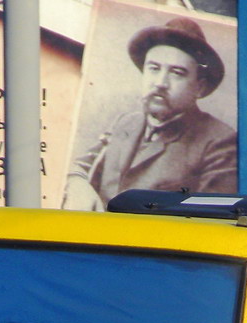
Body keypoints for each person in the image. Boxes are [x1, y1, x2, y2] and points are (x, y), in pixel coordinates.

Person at [62, 16, 236, 211]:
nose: (160, 82)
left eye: (177, 73)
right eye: (153, 68)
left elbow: (209, 221)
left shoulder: (221, 143)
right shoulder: (126, 122)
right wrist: (78, 186)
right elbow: (81, 166)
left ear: (199, 87)